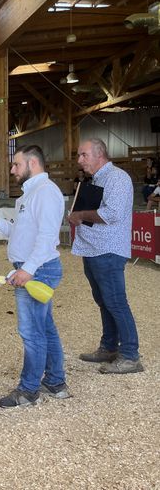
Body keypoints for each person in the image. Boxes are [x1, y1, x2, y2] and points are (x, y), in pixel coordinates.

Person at [0, 145, 68, 408]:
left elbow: (46, 238)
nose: (12, 170)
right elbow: (21, 233)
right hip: (32, 266)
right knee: (45, 328)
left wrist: (27, 270)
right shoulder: (30, 195)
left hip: (37, 269)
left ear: (33, 163)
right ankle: (55, 381)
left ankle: (29, 389)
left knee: (31, 332)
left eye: (16, 164)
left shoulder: (46, 193)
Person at [69, 138, 144, 374]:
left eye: (83, 155)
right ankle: (109, 347)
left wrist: (80, 214)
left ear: (99, 154)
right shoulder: (96, 180)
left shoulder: (117, 178)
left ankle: (131, 355)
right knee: (103, 301)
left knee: (116, 302)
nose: (79, 160)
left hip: (108, 250)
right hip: (93, 248)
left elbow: (112, 214)